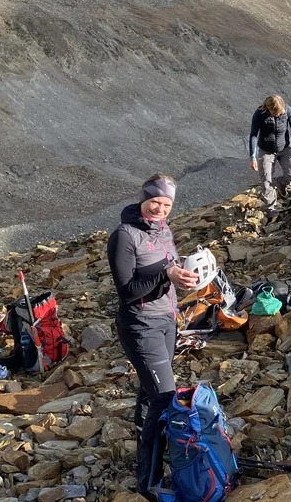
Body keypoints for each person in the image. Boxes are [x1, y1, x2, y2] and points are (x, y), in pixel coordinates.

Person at [108, 174, 205, 499]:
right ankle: (148, 480)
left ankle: (144, 450)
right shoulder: (124, 235)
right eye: (156, 202)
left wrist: (184, 273)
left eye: (167, 205)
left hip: (166, 321)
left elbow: (169, 265)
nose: (160, 209)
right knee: (164, 396)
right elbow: (127, 291)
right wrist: (166, 273)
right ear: (143, 198)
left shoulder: (163, 230)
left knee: (151, 392)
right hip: (140, 325)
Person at [249, 95, 291, 210]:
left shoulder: (287, 110)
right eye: (274, 112)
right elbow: (253, 134)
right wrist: (253, 156)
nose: (277, 115)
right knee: (266, 182)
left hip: (285, 148)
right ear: (267, 107)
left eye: (279, 113)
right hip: (266, 151)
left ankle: (279, 184)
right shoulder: (259, 113)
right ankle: (271, 209)